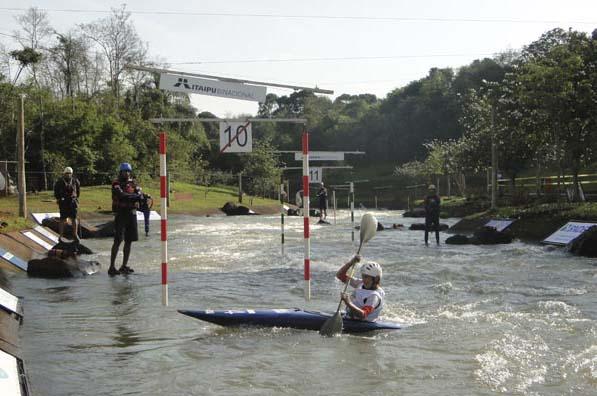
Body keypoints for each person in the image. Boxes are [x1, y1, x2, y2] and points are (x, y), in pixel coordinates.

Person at [109, 163, 143, 276]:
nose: (127, 173)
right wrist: (136, 197)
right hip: (121, 214)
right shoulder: (116, 183)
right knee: (118, 240)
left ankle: (124, 266)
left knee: (129, 241)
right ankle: (112, 267)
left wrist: (138, 196)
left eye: (128, 171)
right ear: (120, 172)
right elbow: (121, 195)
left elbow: (139, 194)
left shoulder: (133, 183)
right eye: (124, 171)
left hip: (131, 214)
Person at [336, 255, 385, 322]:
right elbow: (340, 275)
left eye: (366, 277)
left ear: (376, 279)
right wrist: (351, 263)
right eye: (363, 276)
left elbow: (363, 315)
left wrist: (348, 303)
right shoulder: (360, 283)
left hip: (362, 322)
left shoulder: (374, 296)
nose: (363, 279)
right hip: (350, 316)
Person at [53, 166, 81, 242]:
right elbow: (56, 193)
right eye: (66, 173)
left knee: (74, 218)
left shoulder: (75, 181)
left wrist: (75, 198)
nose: (68, 175)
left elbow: (78, 192)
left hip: (73, 202)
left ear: (72, 174)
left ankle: (75, 235)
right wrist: (59, 199)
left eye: (69, 173)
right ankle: (61, 236)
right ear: (64, 174)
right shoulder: (59, 182)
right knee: (62, 219)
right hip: (63, 203)